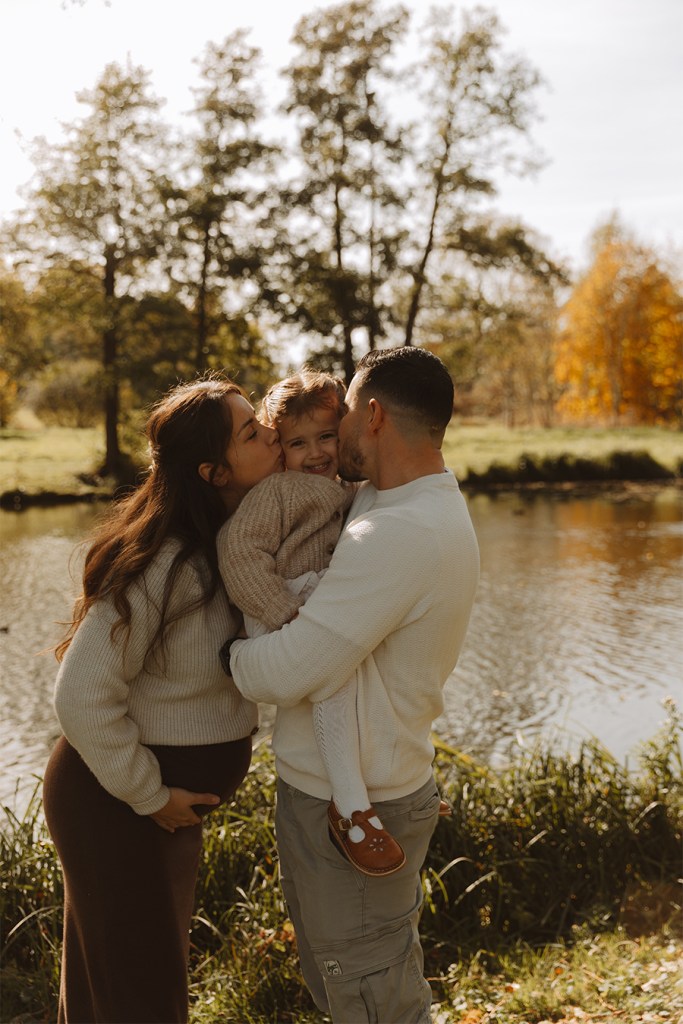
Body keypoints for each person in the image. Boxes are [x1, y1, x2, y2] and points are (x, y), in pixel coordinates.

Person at [226, 346, 480, 1024]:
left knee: (375, 1005)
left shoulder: (397, 532)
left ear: (370, 415)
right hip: (341, 797)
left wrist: (233, 662)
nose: (327, 437)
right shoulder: (389, 501)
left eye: (336, 418)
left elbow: (285, 673)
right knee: (349, 993)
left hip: (354, 813)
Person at [42, 374, 284, 1024]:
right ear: (213, 471)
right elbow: (81, 693)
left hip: (156, 809)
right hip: (114, 802)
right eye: (252, 433)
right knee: (138, 996)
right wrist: (149, 794)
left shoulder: (226, 545)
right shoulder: (164, 564)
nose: (271, 437)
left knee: (116, 990)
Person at [218, 368, 406, 877]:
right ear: (279, 448)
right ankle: (352, 806)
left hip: (310, 605)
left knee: (362, 675)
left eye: (326, 436)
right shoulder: (278, 493)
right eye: (298, 443)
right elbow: (237, 553)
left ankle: (380, 787)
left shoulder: (349, 488)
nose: (316, 452)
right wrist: (284, 613)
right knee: (335, 682)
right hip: (277, 609)